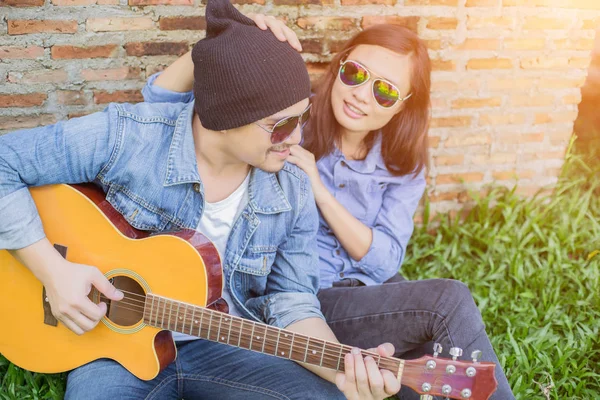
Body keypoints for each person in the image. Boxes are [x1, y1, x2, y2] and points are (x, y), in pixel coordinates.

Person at [0, 1, 401, 399]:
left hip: (226, 346)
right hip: (110, 348)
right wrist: (54, 273)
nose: (296, 138)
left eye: (302, 117)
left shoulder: (292, 187)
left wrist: (340, 370)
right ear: (224, 118)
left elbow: (292, 302)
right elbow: (5, 162)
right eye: (280, 126)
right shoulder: (129, 137)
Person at [147, 14, 516, 400]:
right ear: (338, 67)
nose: (361, 94)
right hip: (308, 300)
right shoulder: (287, 120)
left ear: (402, 107)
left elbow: (385, 259)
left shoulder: (402, 164)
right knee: (446, 304)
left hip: (372, 290)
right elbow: (163, 104)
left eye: (384, 91)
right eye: (355, 74)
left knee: (425, 365)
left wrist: (319, 191)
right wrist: (216, 43)